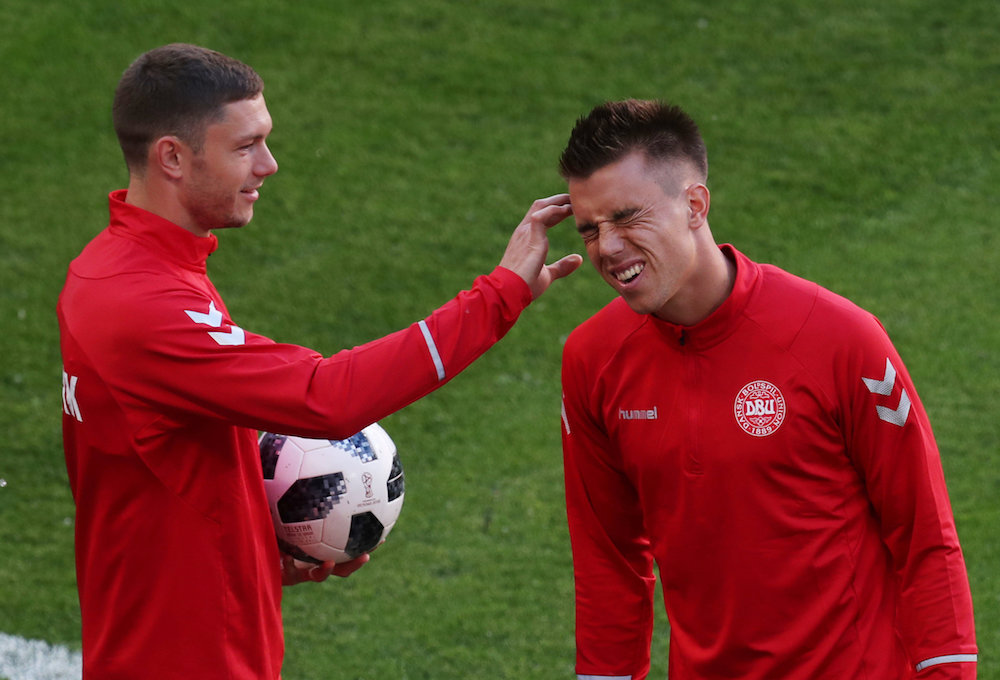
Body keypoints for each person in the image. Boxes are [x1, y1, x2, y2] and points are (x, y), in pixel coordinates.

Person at [57, 43, 581, 679]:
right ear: (172, 156)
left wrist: (257, 558)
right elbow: (325, 398)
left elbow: (155, 465)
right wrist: (499, 296)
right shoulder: (142, 306)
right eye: (246, 146)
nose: (269, 165)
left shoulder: (118, 271)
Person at [557, 99, 977, 679]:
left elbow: (924, 537)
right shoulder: (591, 361)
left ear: (695, 205)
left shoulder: (841, 338)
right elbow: (609, 561)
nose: (608, 247)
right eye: (590, 229)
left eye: (627, 218)